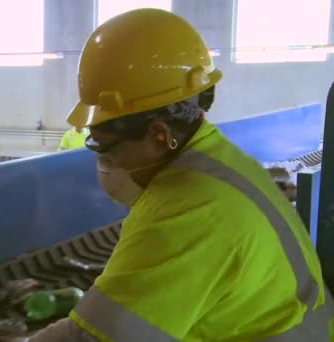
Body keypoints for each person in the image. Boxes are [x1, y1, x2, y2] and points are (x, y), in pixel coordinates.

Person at [25, 8, 333, 341]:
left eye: (104, 148)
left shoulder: (187, 209)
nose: (105, 163)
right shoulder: (222, 161)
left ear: (160, 135)